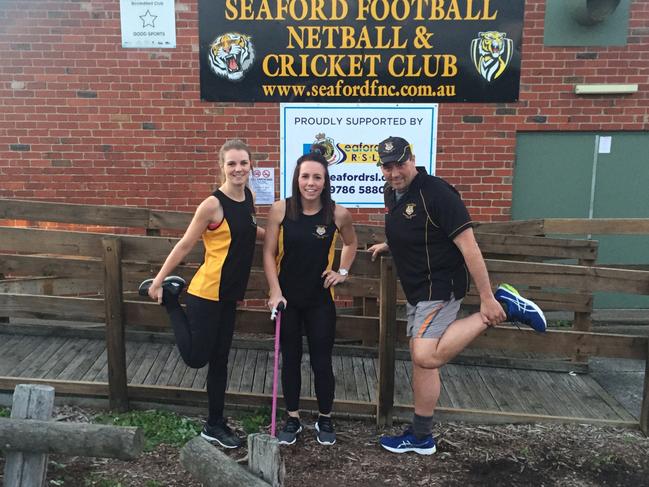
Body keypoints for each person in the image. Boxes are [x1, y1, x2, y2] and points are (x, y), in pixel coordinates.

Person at [368, 136, 546, 455]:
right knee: (425, 365)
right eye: (388, 166)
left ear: (413, 158)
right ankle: (422, 437)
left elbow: (469, 246)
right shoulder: (393, 192)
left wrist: (487, 297)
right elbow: (415, 230)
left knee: (425, 355)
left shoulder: (437, 193)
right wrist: (389, 244)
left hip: (439, 286)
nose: (395, 172)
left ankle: (505, 306)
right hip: (418, 289)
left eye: (400, 164)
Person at [138, 139, 264, 449]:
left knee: (220, 361)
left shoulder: (248, 197)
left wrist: (284, 235)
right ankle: (170, 299)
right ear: (222, 166)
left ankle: (214, 423)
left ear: (251, 166)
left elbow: (252, 231)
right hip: (206, 292)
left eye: (243, 163)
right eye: (231, 163)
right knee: (196, 358)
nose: (237, 168)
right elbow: (184, 243)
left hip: (229, 295)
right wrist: (158, 279)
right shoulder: (212, 204)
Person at [263, 145, 358, 446]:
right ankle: (292, 418)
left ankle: (325, 417)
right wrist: (274, 291)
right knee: (290, 359)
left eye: (318, 177)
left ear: (326, 181)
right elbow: (267, 253)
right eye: (306, 176)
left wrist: (341, 272)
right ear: (297, 178)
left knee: (321, 361)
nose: (311, 183)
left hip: (320, 300)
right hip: (287, 300)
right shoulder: (281, 209)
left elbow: (352, 244)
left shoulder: (337, 213)